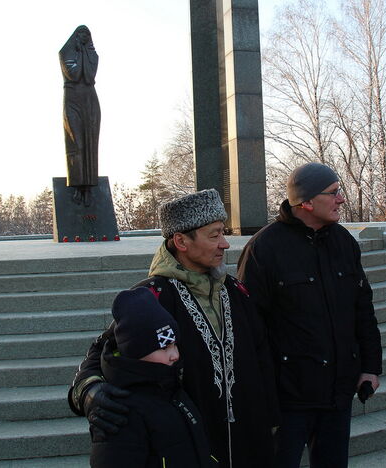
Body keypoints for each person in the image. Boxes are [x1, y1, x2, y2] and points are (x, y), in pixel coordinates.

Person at [69, 189, 278, 468]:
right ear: (181, 241)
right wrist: (91, 392)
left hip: (250, 446)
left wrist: (272, 420)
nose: (225, 244)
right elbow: (100, 353)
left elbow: (262, 358)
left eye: (223, 233)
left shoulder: (236, 292)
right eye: (214, 235)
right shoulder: (152, 297)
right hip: (191, 447)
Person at [237, 162, 383, 468]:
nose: (341, 198)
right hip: (288, 398)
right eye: (333, 192)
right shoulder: (264, 248)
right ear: (305, 202)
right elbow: (249, 327)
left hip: (338, 393)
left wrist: (370, 366)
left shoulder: (344, 242)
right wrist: (261, 390)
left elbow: (362, 309)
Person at [89, 287, 216, 468]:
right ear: (137, 352)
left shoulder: (173, 389)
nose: (175, 355)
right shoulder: (118, 412)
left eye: (174, 345)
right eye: (164, 348)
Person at [60, 25, 101, 206]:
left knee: (91, 145)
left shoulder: (93, 54)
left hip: (90, 100)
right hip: (73, 100)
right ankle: (77, 186)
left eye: (87, 34)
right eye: (81, 33)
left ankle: (89, 189)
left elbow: (90, 76)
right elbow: (74, 74)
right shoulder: (65, 52)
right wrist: (79, 53)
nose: (85, 36)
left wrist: (85, 53)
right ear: (76, 36)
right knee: (77, 144)